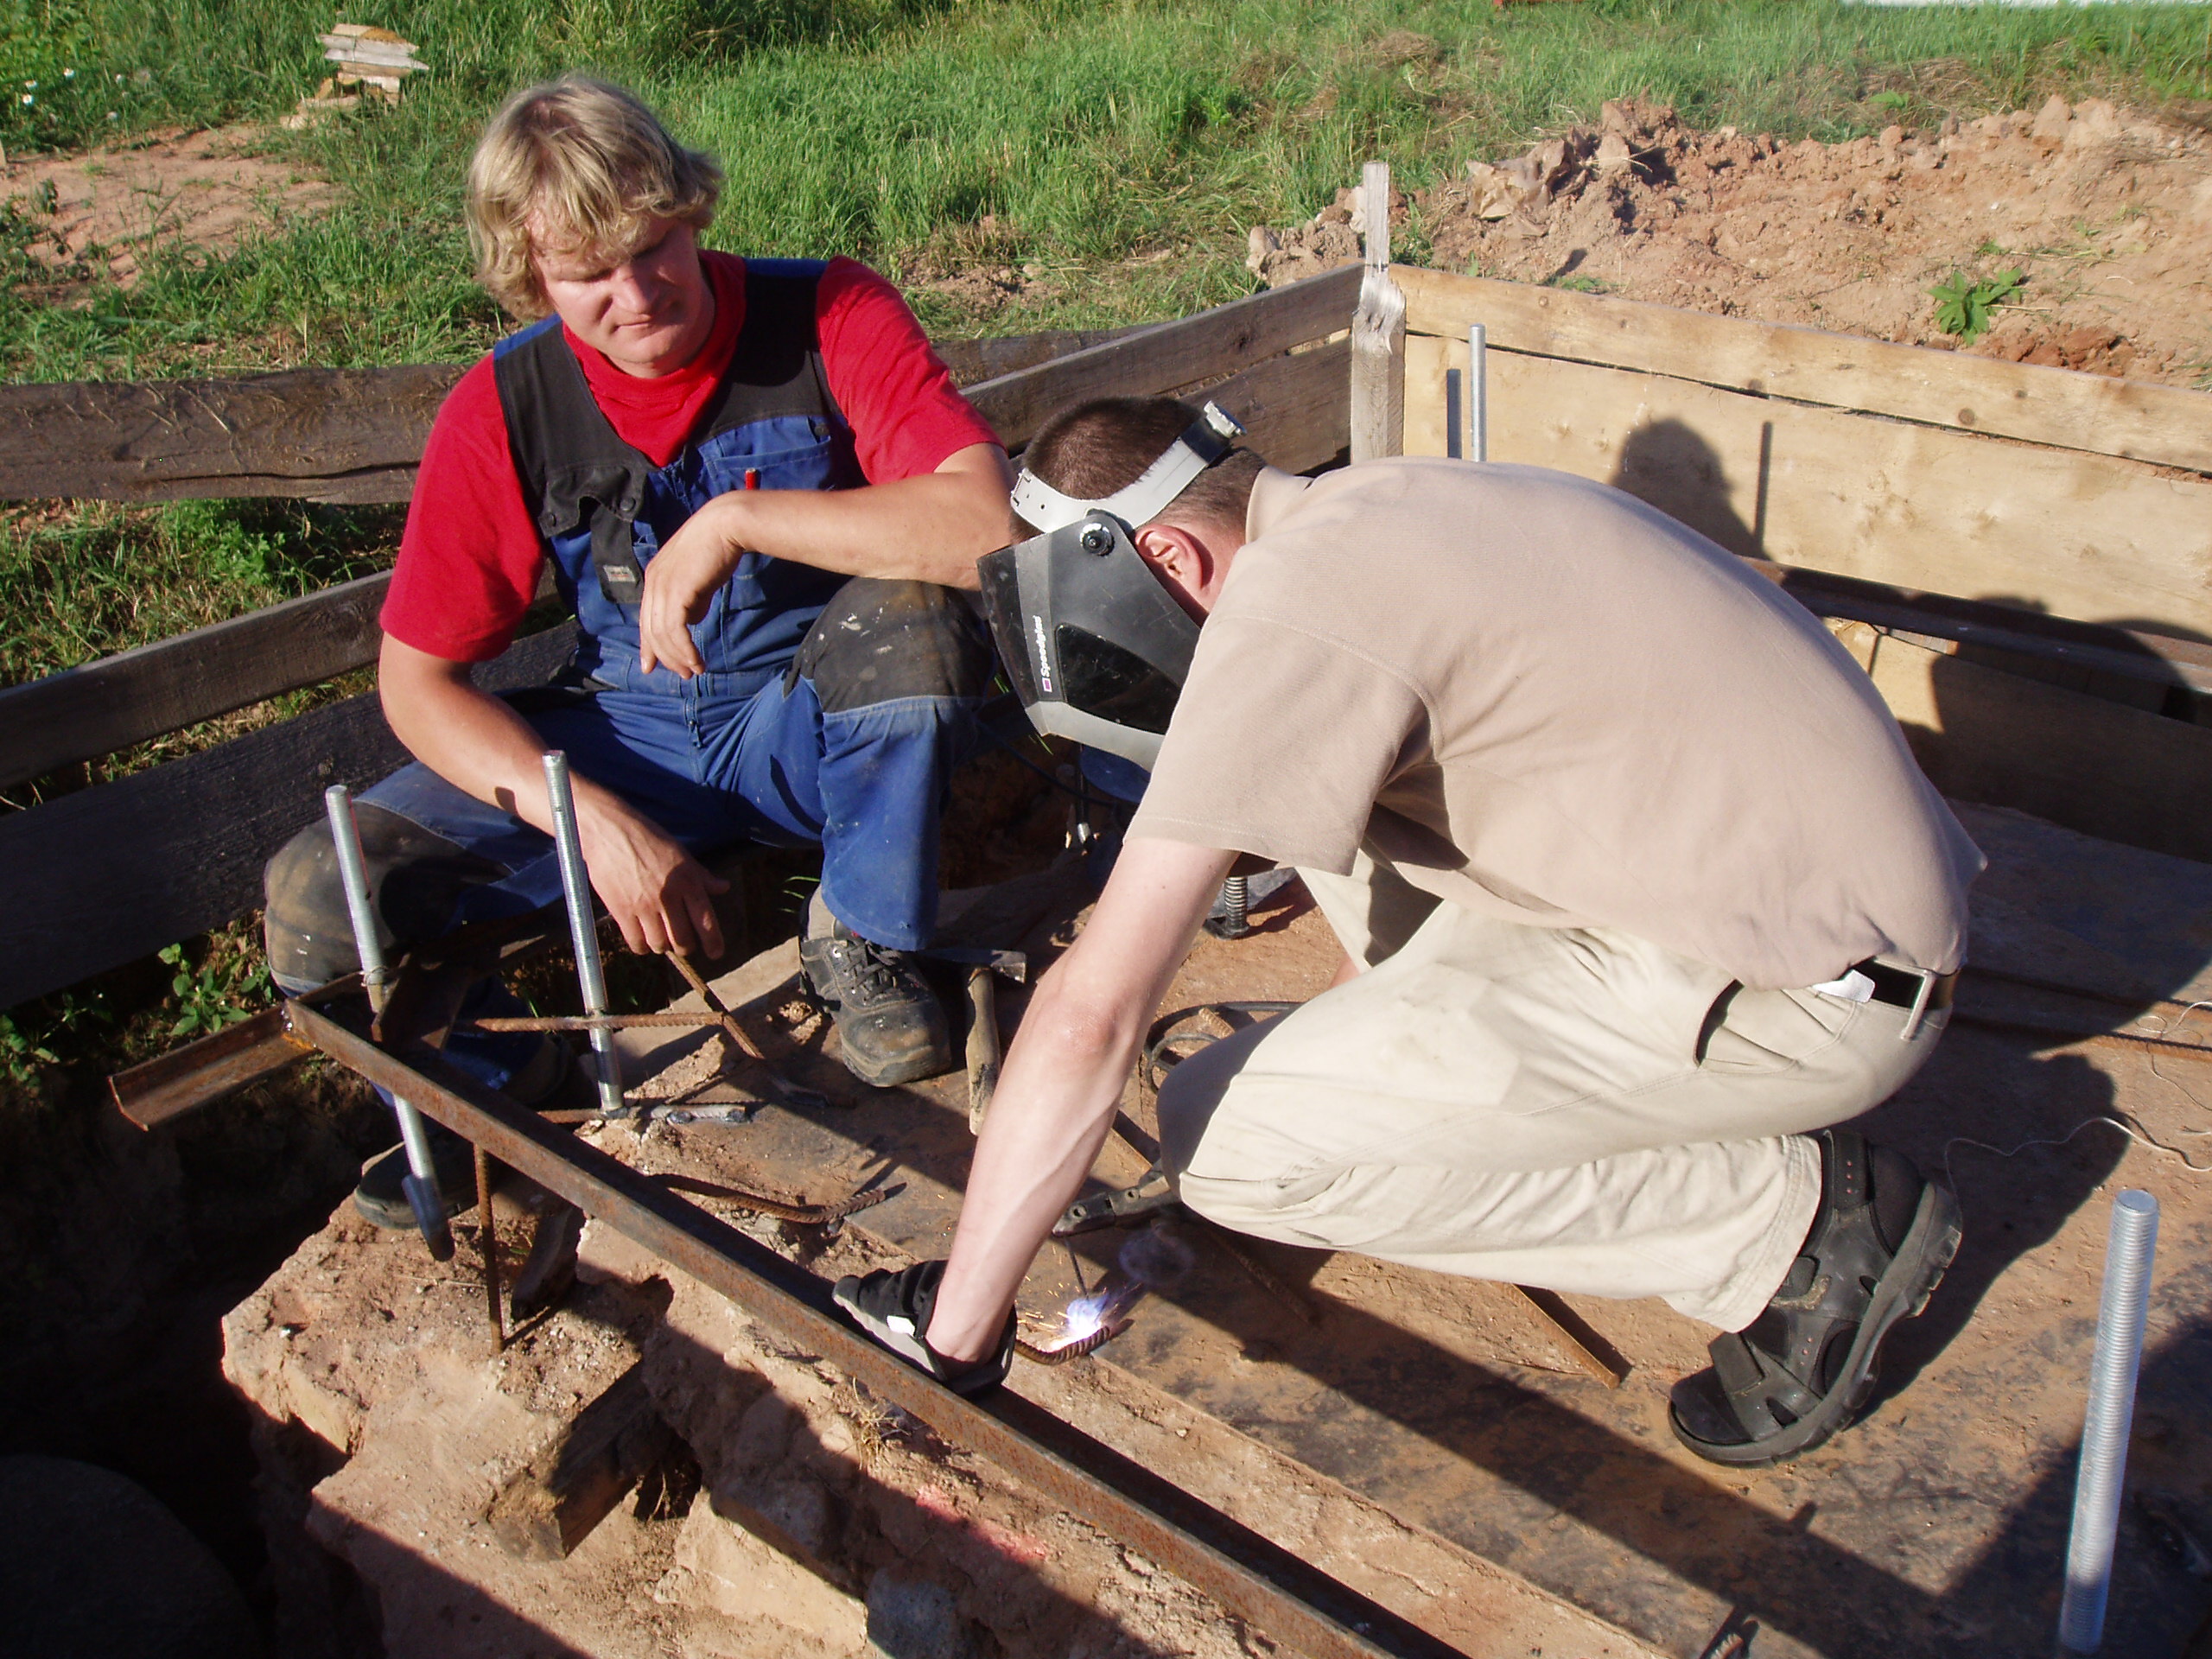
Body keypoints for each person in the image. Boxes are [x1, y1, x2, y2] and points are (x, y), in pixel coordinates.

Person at [836, 396, 1984, 1469]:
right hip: (1803, 902)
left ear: (1171, 562)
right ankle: (1540, 1108)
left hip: (1818, 1001)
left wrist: (957, 1335)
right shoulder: (1367, 509)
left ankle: (1783, 1229)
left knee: (1227, 1145)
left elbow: (1093, 1011)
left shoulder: (1299, 610)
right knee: (1335, 803)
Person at [262, 76, 1012, 1224]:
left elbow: (981, 531)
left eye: (655, 247)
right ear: (529, 276)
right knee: (323, 893)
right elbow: (415, 682)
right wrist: (588, 821)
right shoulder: (503, 409)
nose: (635, 292)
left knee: (908, 622)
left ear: (694, 211)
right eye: (586, 273)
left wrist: (740, 518)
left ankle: (863, 938)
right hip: (625, 731)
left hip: (810, 717)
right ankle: (501, 1093)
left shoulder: (825, 316)